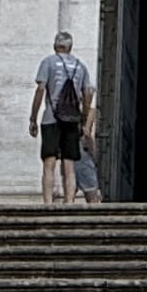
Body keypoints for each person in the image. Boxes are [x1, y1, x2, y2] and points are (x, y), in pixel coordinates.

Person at [29, 30, 93, 204]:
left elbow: (41, 89)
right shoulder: (81, 66)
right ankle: (69, 201)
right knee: (69, 164)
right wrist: (84, 117)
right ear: (70, 47)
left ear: (55, 46)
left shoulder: (48, 62)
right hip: (72, 119)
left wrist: (33, 118)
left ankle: (48, 203)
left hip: (52, 117)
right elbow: (87, 92)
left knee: (49, 163)